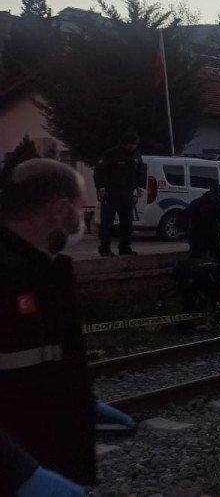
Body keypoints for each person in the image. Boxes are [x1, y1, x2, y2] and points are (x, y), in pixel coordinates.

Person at [1, 159, 136, 496]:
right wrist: (17, 475)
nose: (82, 222)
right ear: (60, 210)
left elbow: (41, 361)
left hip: (45, 449)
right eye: (80, 210)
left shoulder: (44, 270)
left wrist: (78, 403)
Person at [93, 131, 146, 257]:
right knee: (107, 222)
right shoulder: (111, 154)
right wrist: (101, 188)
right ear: (125, 143)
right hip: (111, 193)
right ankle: (104, 249)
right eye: (131, 144)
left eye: (135, 144)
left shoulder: (136, 155)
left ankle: (125, 248)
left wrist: (140, 187)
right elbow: (99, 172)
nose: (134, 146)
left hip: (127, 194)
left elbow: (141, 172)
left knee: (127, 223)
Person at [184, 185, 220, 267]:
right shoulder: (219, 202)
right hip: (212, 234)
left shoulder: (200, 200)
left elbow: (187, 213)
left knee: (194, 256)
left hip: (196, 234)